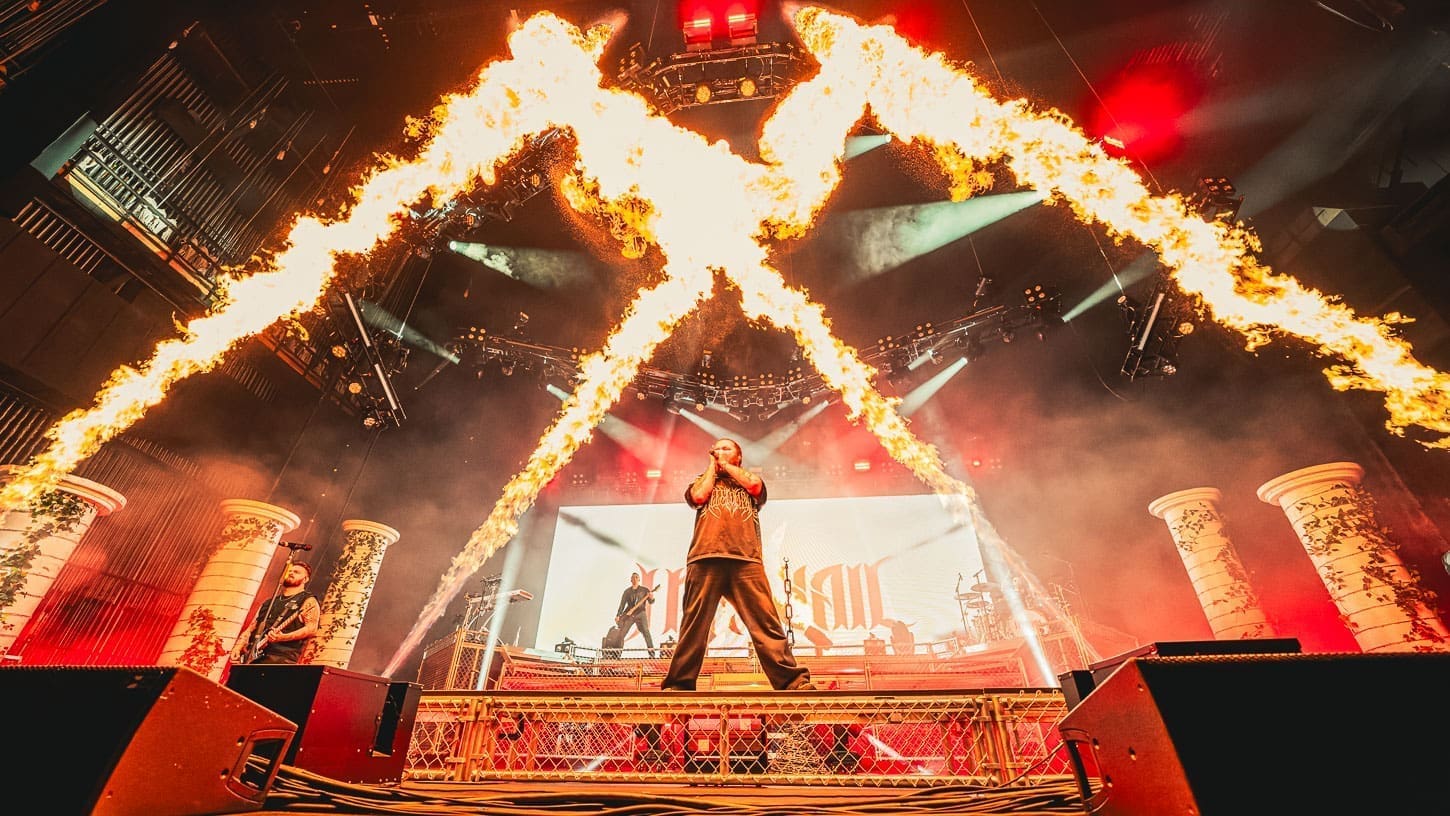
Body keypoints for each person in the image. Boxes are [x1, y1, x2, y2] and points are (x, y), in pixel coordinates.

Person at [661, 438, 814, 691]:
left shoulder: (748, 481)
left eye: (726, 448)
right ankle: (679, 685)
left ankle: (793, 682)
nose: (719, 451)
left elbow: (755, 485)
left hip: (746, 560)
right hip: (705, 557)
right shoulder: (702, 479)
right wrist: (713, 466)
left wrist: (726, 466)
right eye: (715, 448)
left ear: (738, 457)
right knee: (694, 625)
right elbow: (698, 496)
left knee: (766, 624)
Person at [232, 561, 321, 665]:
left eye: (296, 572)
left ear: (305, 579)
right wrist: (238, 647)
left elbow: (311, 629)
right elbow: (252, 627)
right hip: (252, 656)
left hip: (280, 658)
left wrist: (283, 637)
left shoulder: (308, 600)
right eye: (290, 571)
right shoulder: (269, 602)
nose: (291, 573)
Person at [615, 572, 656, 657]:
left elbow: (651, 602)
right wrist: (618, 615)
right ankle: (618, 654)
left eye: (636, 577)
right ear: (631, 580)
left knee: (646, 632)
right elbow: (622, 604)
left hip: (641, 614)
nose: (635, 579)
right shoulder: (627, 592)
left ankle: (652, 654)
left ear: (639, 579)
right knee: (622, 633)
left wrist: (651, 597)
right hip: (630, 615)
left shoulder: (645, 590)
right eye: (633, 577)